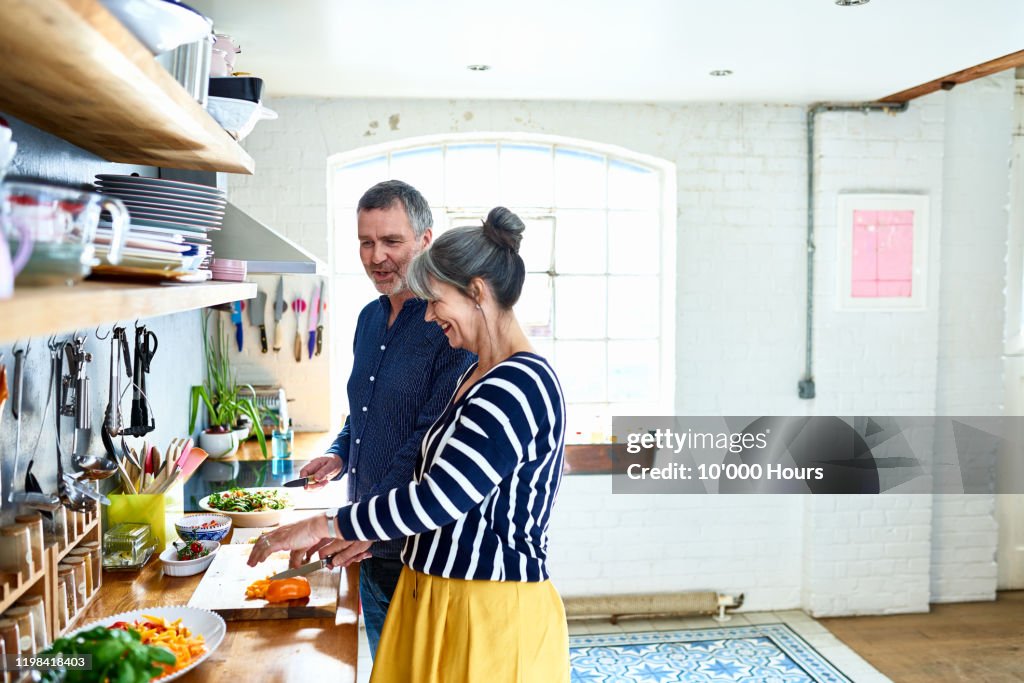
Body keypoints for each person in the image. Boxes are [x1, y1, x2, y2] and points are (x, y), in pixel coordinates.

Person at [250, 206, 570, 682]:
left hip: (485, 611)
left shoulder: (518, 384)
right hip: (442, 598)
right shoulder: (478, 372)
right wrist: (363, 531)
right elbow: (439, 487)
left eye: (437, 300)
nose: (431, 313)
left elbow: (439, 497)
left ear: (477, 292)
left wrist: (326, 522)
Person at [297, 179, 474, 658]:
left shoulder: (448, 329)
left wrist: (357, 525)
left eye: (392, 241)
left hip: (417, 554)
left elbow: (424, 443)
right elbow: (365, 412)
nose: (377, 256)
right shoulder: (368, 319)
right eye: (366, 242)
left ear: (425, 240)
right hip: (366, 544)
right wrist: (338, 453)